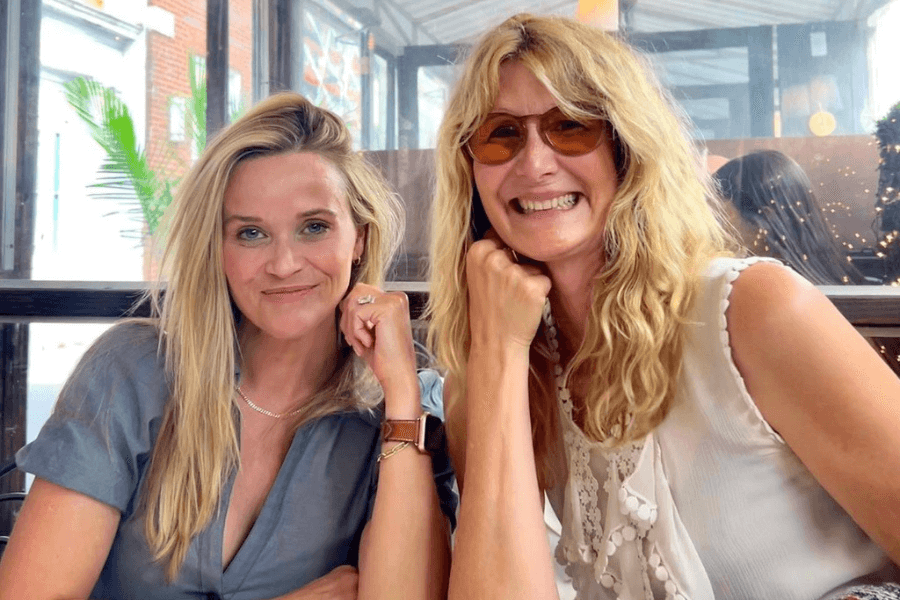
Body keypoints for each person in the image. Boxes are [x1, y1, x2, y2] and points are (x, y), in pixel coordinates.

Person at [427, 13, 900, 600]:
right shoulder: (487, 379)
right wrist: (497, 352)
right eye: (499, 134)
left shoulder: (752, 311)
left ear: (626, 147)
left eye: (570, 126)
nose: (534, 163)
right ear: (469, 169)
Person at [0, 92, 454, 600]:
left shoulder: (400, 417)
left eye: (315, 227)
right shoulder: (132, 372)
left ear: (360, 239)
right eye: (252, 233)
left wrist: (399, 390)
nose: (284, 264)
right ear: (218, 249)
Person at [714, 149, 900, 376]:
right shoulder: (839, 286)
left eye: (722, 215)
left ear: (765, 219)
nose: (713, 230)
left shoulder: (776, 301)